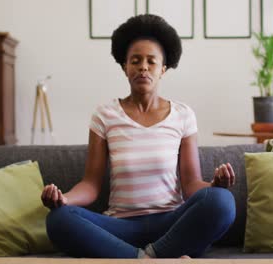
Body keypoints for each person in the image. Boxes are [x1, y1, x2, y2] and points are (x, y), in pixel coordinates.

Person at [41, 14, 236, 259]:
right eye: (135, 61)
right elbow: (90, 185)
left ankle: (140, 257)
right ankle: (150, 258)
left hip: (171, 225)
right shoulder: (105, 115)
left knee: (222, 201)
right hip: (119, 227)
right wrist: (64, 199)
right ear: (125, 67)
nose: (143, 66)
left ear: (163, 68)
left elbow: (191, 185)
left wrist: (215, 186)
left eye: (151, 61)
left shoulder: (183, 115)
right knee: (58, 219)